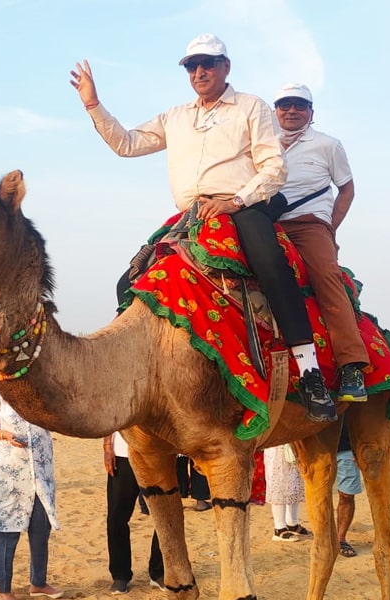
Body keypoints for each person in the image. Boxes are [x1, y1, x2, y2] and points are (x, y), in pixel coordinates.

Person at [70, 33, 335, 422]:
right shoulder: (175, 117)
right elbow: (127, 143)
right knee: (128, 282)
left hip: (240, 206)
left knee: (272, 267)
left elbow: (273, 167)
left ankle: (310, 373)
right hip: (191, 215)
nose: (199, 71)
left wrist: (235, 202)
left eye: (208, 63)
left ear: (225, 67)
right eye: (192, 65)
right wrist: (93, 104)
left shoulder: (250, 107)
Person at [271, 83, 368, 404]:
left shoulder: (328, 145)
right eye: (285, 105)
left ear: (311, 113)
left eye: (299, 105)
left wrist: (329, 227)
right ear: (276, 110)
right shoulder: (261, 140)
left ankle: (352, 364)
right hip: (265, 222)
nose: (291, 111)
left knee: (327, 278)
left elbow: (347, 189)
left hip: (308, 225)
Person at [0, 388, 63, 599]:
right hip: (7, 477)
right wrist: (6, 435)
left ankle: (38, 583)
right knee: (4, 534)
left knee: (41, 530)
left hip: (40, 477)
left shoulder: (42, 393)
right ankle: (4, 591)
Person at [103, 432, 164, 594]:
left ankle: (159, 571)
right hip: (122, 454)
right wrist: (108, 448)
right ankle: (120, 575)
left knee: (164, 517)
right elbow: (111, 415)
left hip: (158, 453)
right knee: (117, 517)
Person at [265, 443, 310, 541]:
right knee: (279, 485)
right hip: (277, 447)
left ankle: (292, 523)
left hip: (293, 445)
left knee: (295, 484)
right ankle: (279, 528)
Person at [335, 418, 363, 557]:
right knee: (320, 498)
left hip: (347, 448)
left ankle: (340, 539)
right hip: (317, 450)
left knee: (347, 495)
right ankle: (324, 538)